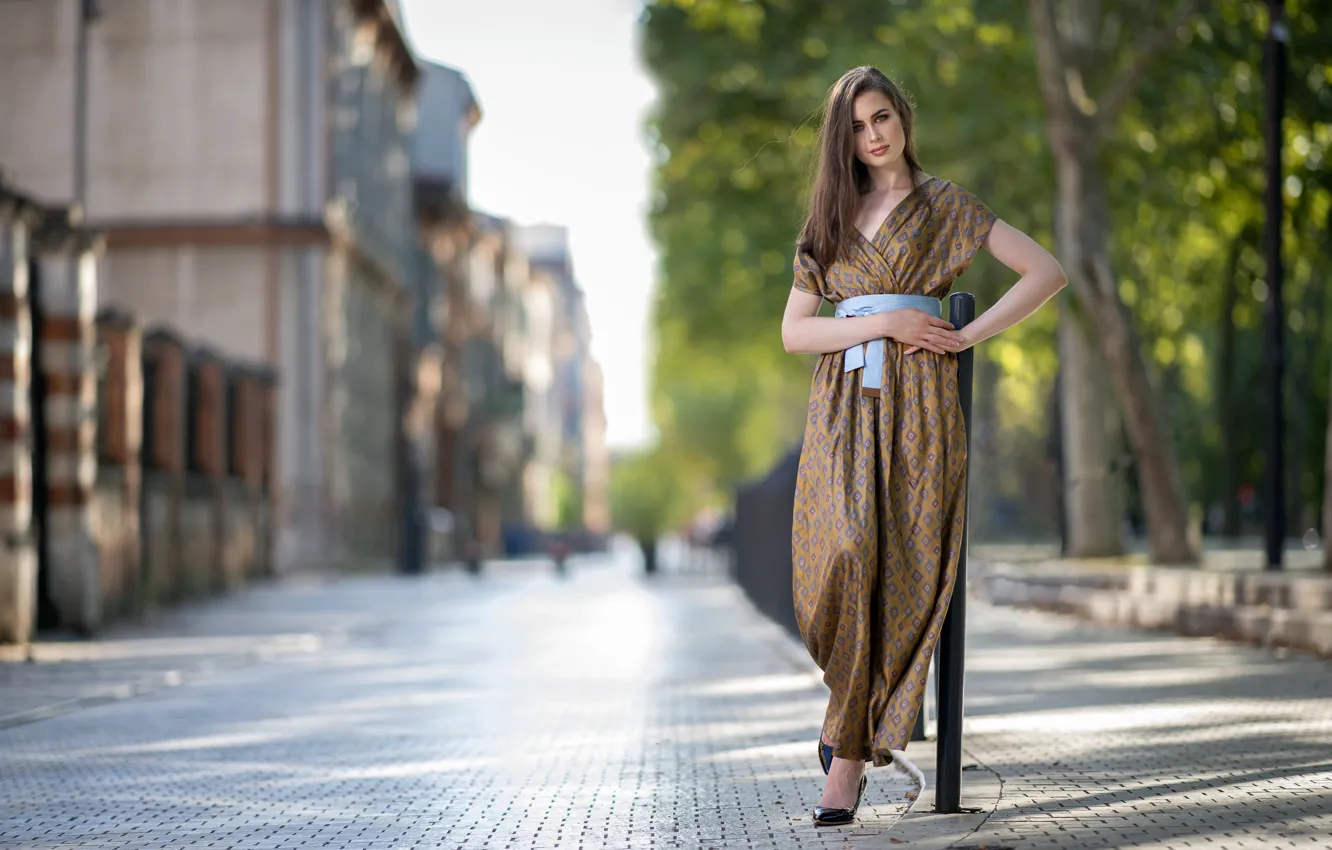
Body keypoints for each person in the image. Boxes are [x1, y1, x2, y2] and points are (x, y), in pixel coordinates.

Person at [780, 66, 1067, 826]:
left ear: (903, 117)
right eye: (857, 127)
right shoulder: (829, 221)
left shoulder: (945, 205)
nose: (874, 136)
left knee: (903, 566)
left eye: (882, 118)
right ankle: (846, 712)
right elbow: (795, 331)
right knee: (840, 555)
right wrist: (884, 322)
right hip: (844, 406)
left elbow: (1047, 270)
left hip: (921, 405)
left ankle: (845, 764)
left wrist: (964, 334)